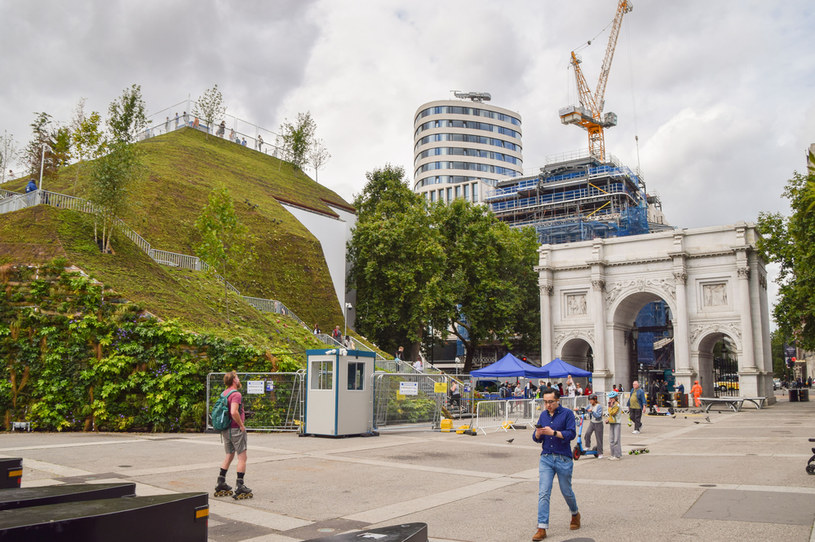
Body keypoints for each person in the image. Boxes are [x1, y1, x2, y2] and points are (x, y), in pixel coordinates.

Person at [531, 387, 580, 540]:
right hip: (546, 457)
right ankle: (542, 527)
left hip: (563, 458)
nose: (548, 405)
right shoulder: (543, 415)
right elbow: (536, 438)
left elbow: (571, 433)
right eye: (545, 402)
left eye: (550, 402)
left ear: (558, 400)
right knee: (544, 492)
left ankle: (575, 513)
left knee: (566, 491)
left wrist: (553, 432)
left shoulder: (567, 414)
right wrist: (537, 434)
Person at [215, 371, 252, 499]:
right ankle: (240, 486)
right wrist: (241, 425)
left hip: (226, 429)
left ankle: (221, 482)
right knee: (242, 457)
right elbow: (233, 412)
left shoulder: (225, 393)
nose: (238, 378)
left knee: (229, 455)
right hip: (236, 429)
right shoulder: (236, 394)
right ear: (234, 380)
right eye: (237, 377)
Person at [584, 394, 604, 459]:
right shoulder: (589, 406)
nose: (590, 401)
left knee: (599, 438)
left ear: (595, 400)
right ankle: (587, 446)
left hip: (598, 424)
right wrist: (578, 410)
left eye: (591, 400)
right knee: (587, 433)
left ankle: (600, 453)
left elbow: (598, 416)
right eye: (589, 400)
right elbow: (585, 410)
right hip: (592, 423)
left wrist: (592, 412)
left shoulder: (599, 406)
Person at [606, 391, 622, 460]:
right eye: (610, 398)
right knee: (611, 439)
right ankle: (613, 454)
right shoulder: (611, 405)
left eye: (611, 398)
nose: (610, 400)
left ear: (615, 398)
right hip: (612, 423)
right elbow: (610, 415)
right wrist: (608, 420)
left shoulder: (617, 405)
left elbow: (612, 413)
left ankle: (617, 455)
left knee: (616, 440)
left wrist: (610, 406)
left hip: (617, 423)